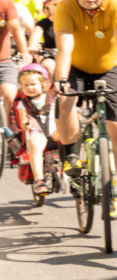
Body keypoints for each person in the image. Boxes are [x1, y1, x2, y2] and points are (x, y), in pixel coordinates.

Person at [53, 0, 117, 220]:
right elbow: (65, 45)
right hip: (77, 67)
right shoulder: (66, 7)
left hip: (109, 68)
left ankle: (111, 187)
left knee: (115, 128)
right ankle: (70, 154)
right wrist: (60, 78)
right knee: (66, 102)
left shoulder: (115, 4)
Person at [8, 63, 60, 196]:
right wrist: (25, 123)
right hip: (38, 132)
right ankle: (39, 180)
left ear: (43, 84)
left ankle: (70, 164)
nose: (30, 88)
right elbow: (23, 121)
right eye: (25, 85)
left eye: (33, 84)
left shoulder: (53, 97)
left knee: (68, 135)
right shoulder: (22, 103)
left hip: (55, 130)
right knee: (34, 144)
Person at [0, 0, 31, 116]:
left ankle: (5, 132)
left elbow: (16, 28)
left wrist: (24, 52)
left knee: (10, 95)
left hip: (4, 61)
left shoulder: (6, 3)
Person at [28, 0, 63, 78]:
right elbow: (35, 37)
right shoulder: (43, 23)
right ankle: (48, 90)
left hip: (69, 56)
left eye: (61, 5)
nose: (58, 7)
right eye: (55, 4)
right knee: (50, 67)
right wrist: (33, 46)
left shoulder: (71, 22)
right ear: (48, 5)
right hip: (49, 55)